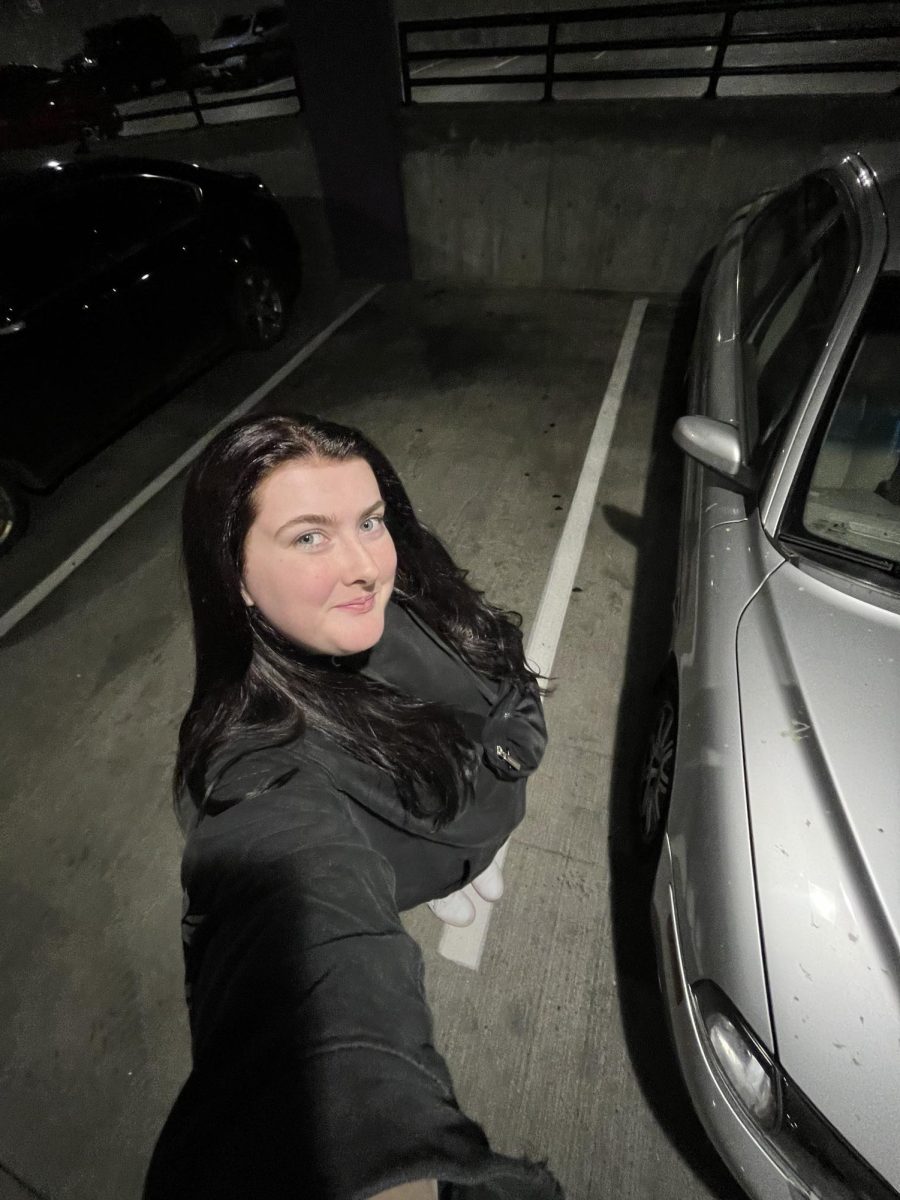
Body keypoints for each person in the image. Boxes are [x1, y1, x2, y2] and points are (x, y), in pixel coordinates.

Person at [144, 413, 562, 1200]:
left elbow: (502, 666)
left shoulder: (399, 589)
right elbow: (314, 991)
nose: (365, 565)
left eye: (369, 522)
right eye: (308, 537)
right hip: (420, 864)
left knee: (476, 872)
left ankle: (471, 870)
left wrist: (508, 756)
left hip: (472, 829)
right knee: (457, 889)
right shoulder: (258, 774)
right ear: (232, 574)